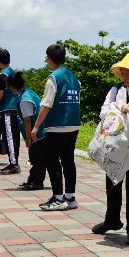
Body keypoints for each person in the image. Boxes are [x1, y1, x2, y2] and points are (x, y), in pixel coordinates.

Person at [91, 52, 129, 246]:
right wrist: (118, 110)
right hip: (115, 146)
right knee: (112, 184)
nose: (124, 75)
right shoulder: (116, 90)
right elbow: (104, 110)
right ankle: (112, 219)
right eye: (122, 71)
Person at [31, 44, 81, 211]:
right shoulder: (74, 77)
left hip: (57, 125)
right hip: (74, 124)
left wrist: (36, 126)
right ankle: (70, 197)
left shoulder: (53, 77)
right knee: (68, 161)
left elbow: (46, 104)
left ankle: (58, 198)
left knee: (52, 161)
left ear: (50, 59)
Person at [7, 71, 47, 191]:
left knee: (38, 158)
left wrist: (28, 139)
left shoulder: (24, 99)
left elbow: (27, 120)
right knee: (34, 157)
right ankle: (32, 180)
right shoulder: (28, 91)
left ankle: (38, 182)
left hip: (37, 134)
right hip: (39, 132)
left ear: (12, 86)